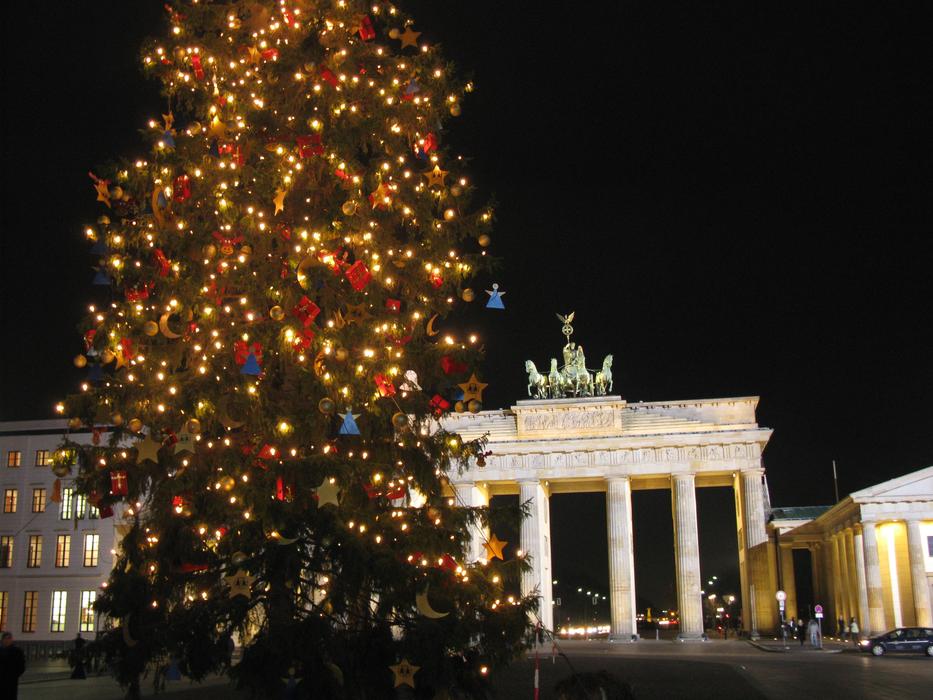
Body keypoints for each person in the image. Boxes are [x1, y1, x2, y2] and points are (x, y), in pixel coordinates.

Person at [0, 631, 26, 700]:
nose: (7, 640)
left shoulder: (17, 651)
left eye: (9, 638)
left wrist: (13, 675)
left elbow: (21, 666)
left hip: (11, 681)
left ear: (12, 639)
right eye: (5, 638)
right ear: (2, 640)